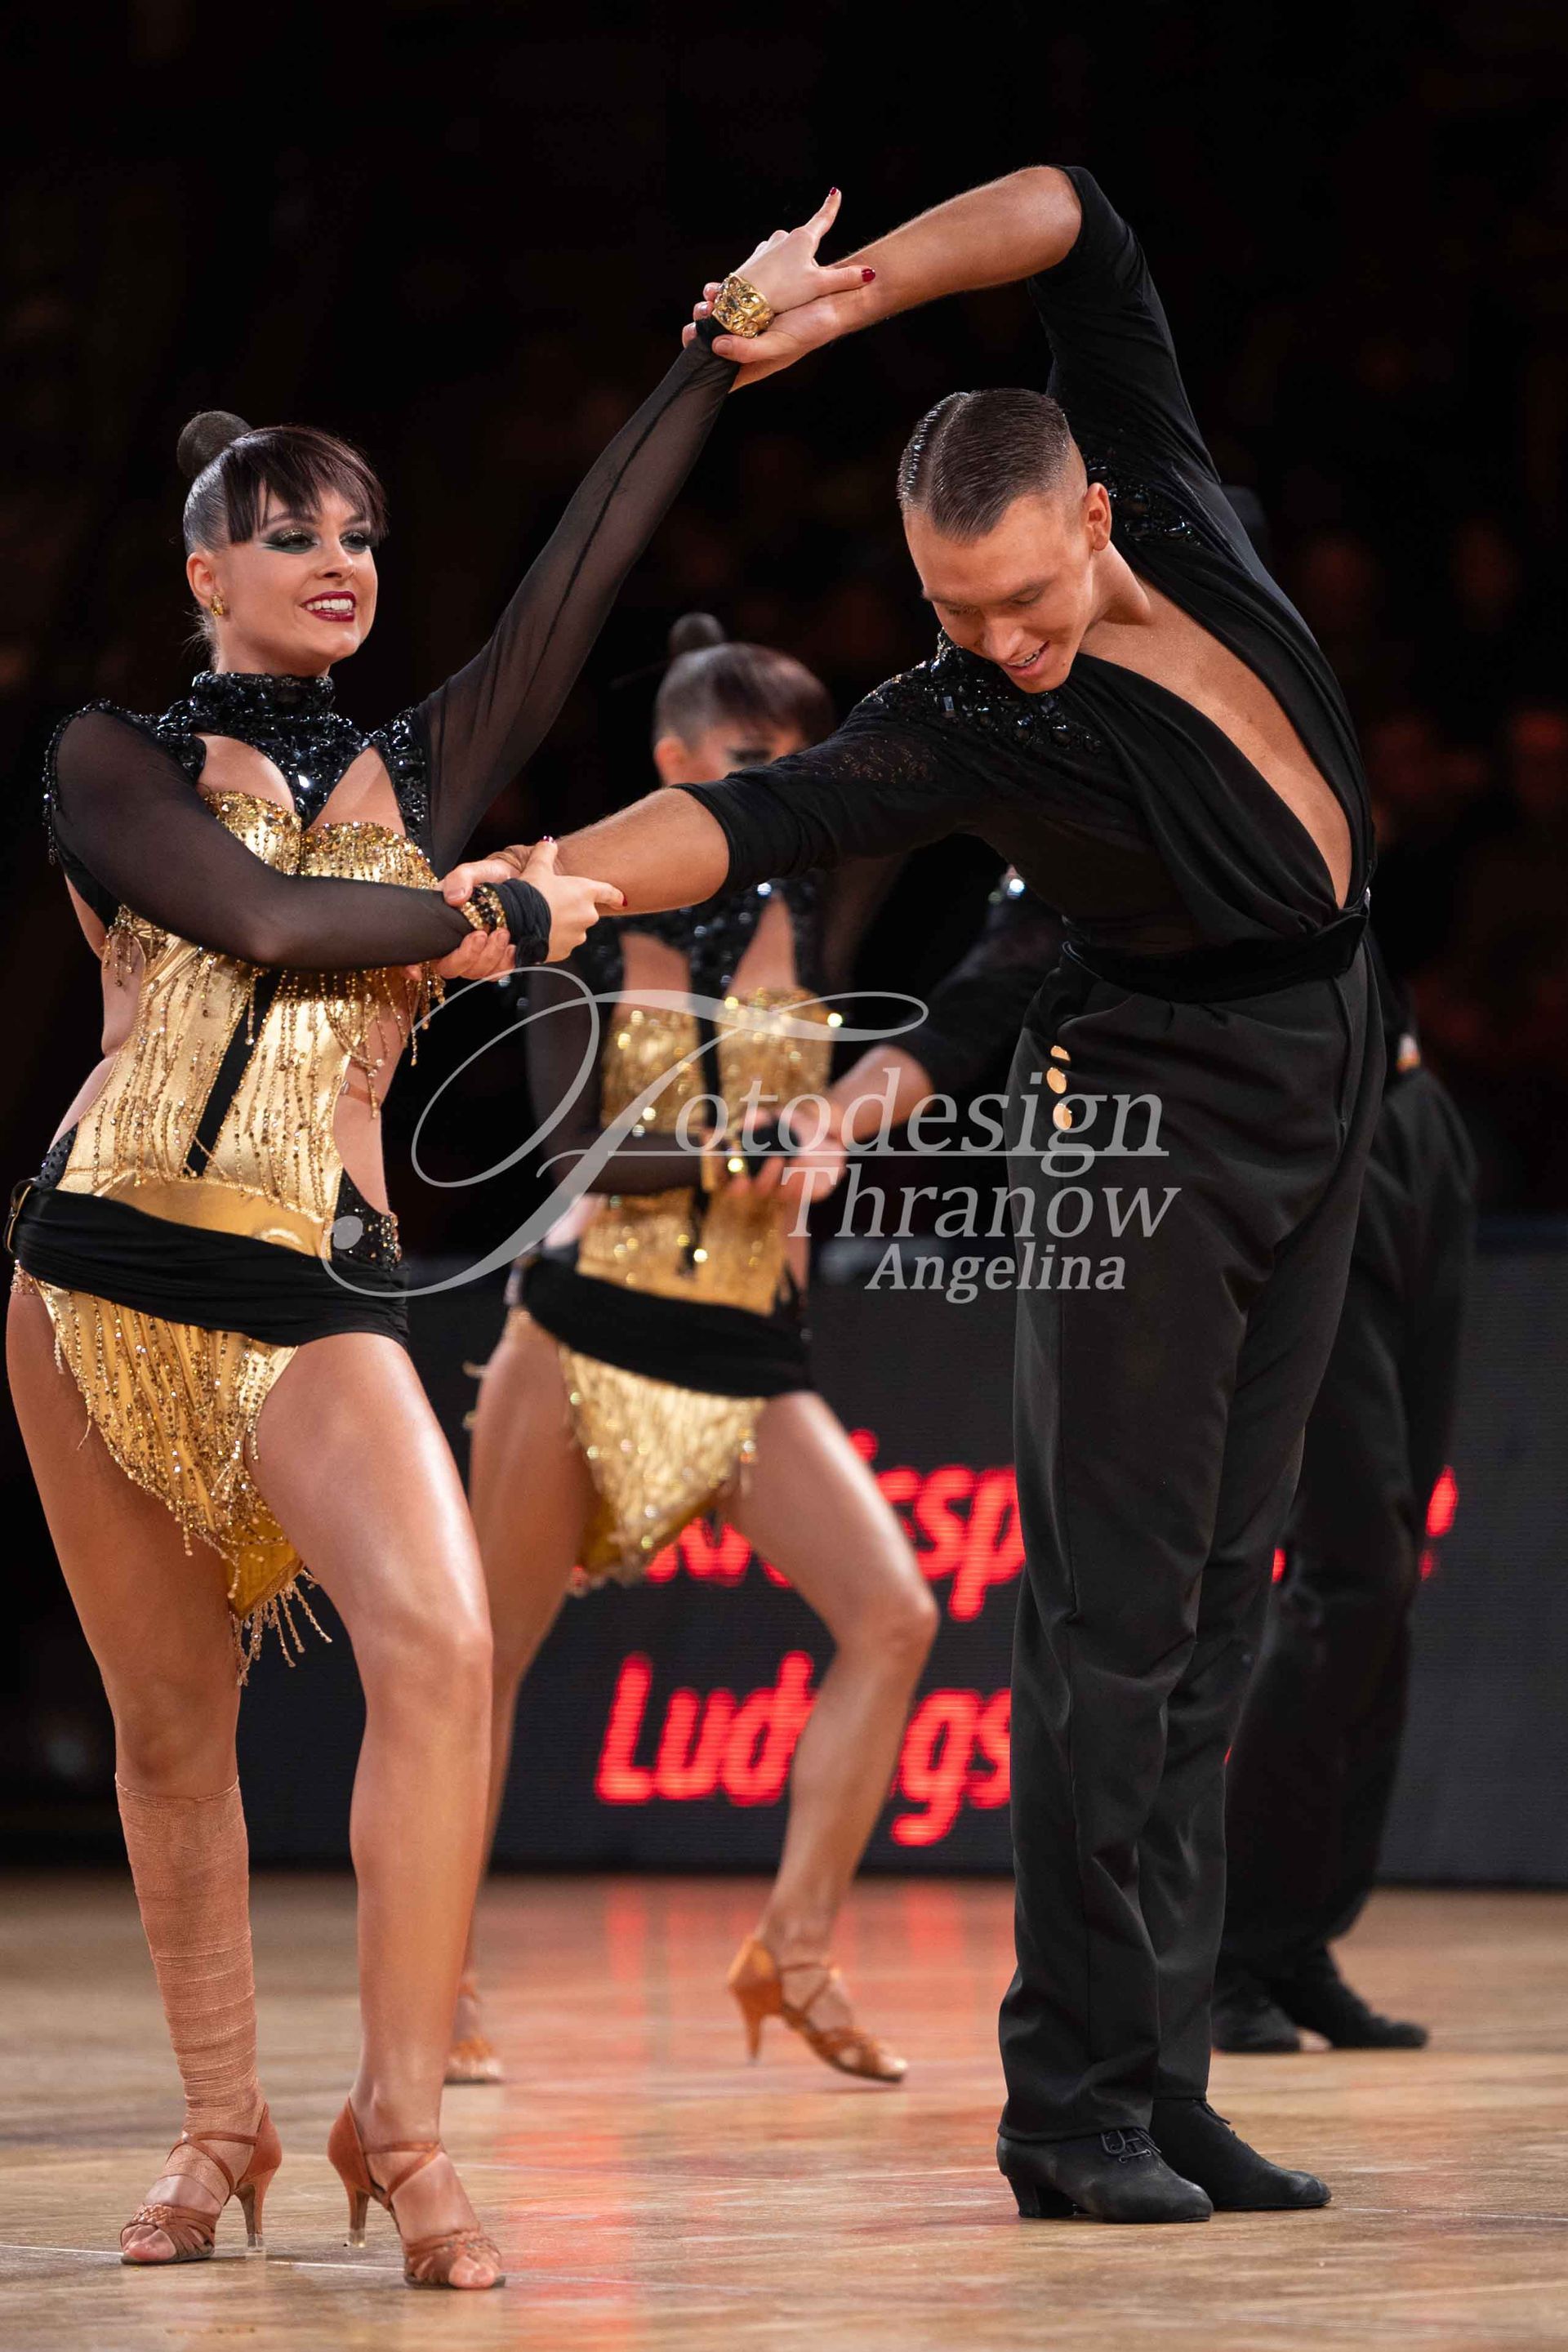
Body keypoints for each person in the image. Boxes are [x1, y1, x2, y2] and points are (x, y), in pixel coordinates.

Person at [450, 165, 1381, 2223]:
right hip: (1154, 1099)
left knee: (1226, 1604)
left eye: (1024, 599)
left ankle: (1163, 2073)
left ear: (1097, 515)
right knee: (1118, 1618)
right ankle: (1071, 2109)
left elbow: (1077, 216)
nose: (999, 643)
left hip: (1328, 1052)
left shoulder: (1167, 489)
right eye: (955, 613)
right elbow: (753, 816)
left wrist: (845, 300)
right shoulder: (964, 717)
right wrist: (557, 883)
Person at [5, 196, 865, 2287]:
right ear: (204, 571)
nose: (339, 559)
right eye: (291, 531)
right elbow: (267, 919)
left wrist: (709, 354)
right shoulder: (109, 756)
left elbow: (578, 577)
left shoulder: (426, 760)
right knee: (168, 1732)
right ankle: (222, 2126)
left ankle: (398, 2123)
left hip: (311, 1279)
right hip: (97, 1271)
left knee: (444, 1643)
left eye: (364, 535)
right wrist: (491, 914)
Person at [449, 617, 934, 2091]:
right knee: (482, 1664)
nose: (785, 793)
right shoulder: (583, 914)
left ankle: (794, 1954)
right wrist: (732, 1145)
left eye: (804, 767)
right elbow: (565, 1144)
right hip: (585, 1328)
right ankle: (433, 1976)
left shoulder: (825, 894)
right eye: (754, 765)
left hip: (749, 1345)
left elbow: (921, 789)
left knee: (895, 1615)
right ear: (673, 767)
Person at [1215, 941, 1476, 2051]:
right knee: (1352, 1571)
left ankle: (1296, 1939)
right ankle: (1231, 1947)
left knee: (1386, 1580)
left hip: (1414, 1114)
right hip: (1307, 1131)